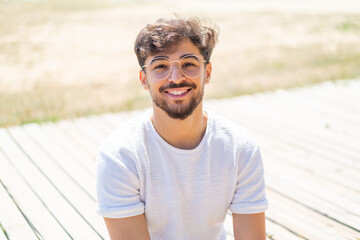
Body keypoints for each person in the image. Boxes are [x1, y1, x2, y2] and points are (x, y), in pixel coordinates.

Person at [96, 16, 268, 240]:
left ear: (207, 73)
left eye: (188, 64)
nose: (176, 78)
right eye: (160, 66)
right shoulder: (119, 156)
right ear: (144, 79)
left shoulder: (241, 149)